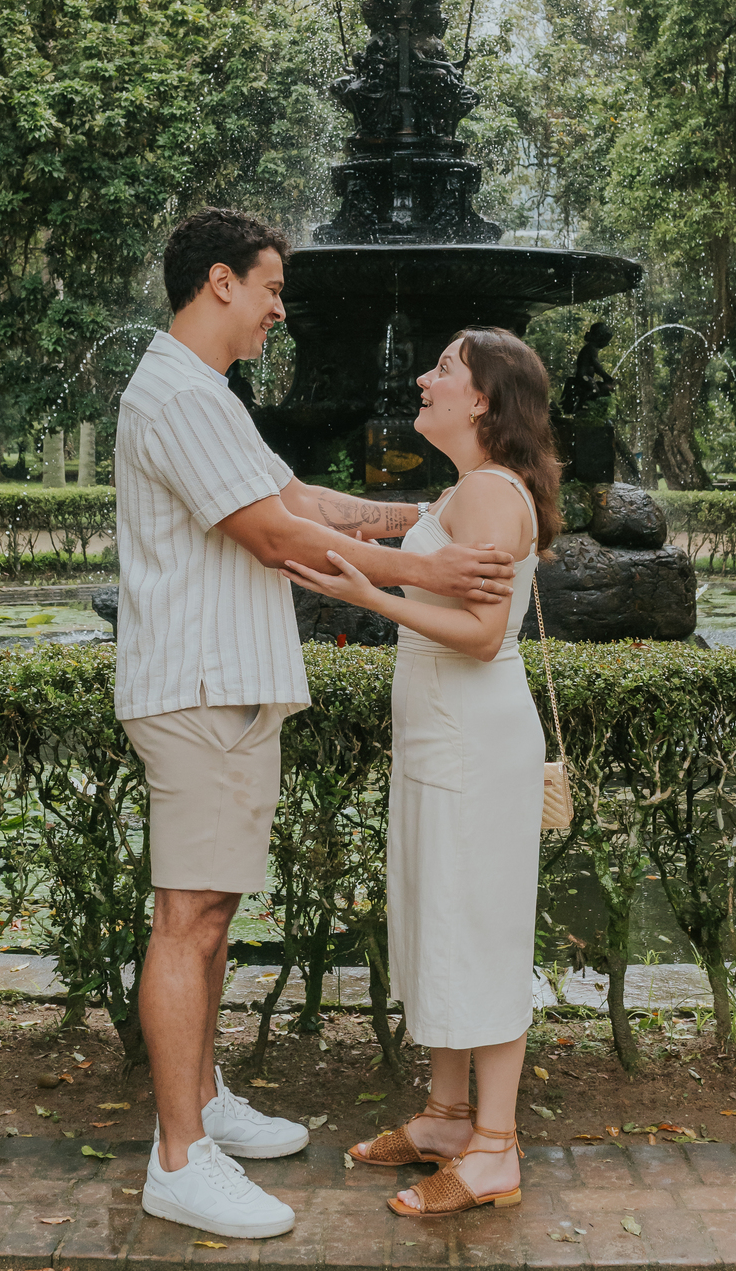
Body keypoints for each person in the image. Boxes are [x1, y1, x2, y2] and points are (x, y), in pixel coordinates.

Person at [117, 209, 520, 1240]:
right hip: (198, 686)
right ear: (218, 282)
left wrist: (411, 517)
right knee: (188, 919)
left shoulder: (206, 395)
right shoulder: (174, 394)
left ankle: (204, 1104)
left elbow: (291, 492)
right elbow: (271, 533)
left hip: (231, 685)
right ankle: (179, 1158)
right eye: (269, 290)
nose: (278, 310)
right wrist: (426, 565)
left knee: (208, 922)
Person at [284, 327, 560, 1220]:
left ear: (482, 400)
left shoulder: (488, 492)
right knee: (440, 920)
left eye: (444, 368)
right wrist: (304, 512)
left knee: (481, 933)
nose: (424, 377)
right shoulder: (463, 489)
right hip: (444, 738)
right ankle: (445, 1120)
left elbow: (484, 637)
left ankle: (494, 1149)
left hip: (474, 742)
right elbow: (366, 523)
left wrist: (367, 598)